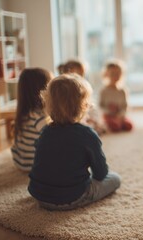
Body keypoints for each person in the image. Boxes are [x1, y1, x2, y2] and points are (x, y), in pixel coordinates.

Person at [28, 74, 121, 211]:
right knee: (115, 178)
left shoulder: (45, 132)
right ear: (83, 106)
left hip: (39, 196)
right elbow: (101, 174)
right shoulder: (87, 134)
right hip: (72, 197)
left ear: (48, 104)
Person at [11, 68, 52, 171]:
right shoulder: (38, 116)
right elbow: (53, 137)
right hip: (34, 165)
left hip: (19, 161)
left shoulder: (25, 112)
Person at [59, 59, 106, 134]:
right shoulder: (63, 89)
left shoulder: (82, 88)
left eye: (82, 75)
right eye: (78, 75)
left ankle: (95, 126)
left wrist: (93, 119)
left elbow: (89, 106)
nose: (81, 78)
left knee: (94, 112)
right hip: (72, 120)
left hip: (84, 115)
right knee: (86, 129)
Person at [99, 61, 133, 132]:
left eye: (118, 74)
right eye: (112, 74)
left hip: (120, 116)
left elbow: (125, 106)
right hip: (108, 116)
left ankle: (119, 124)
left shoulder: (122, 91)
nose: (115, 76)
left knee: (129, 125)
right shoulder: (103, 91)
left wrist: (120, 116)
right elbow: (100, 106)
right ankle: (115, 125)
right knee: (114, 125)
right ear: (106, 74)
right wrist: (108, 112)